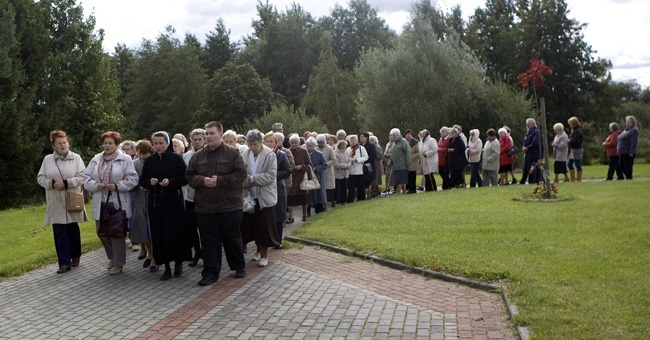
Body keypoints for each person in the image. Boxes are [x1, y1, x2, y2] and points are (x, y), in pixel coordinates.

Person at [186, 121, 248, 286]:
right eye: (206, 134)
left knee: (232, 238)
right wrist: (203, 180)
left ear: (220, 135)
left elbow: (241, 175)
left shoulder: (233, 153)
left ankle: (238, 266)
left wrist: (219, 181)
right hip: (205, 207)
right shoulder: (198, 156)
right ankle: (210, 273)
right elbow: (190, 176)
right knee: (208, 241)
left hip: (229, 205)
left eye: (211, 133)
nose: (208, 136)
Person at [84, 131, 138, 275]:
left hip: (117, 201)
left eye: (110, 143)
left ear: (117, 145)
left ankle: (119, 263)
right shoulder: (96, 159)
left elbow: (133, 179)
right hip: (100, 200)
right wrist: (96, 186)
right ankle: (112, 257)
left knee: (116, 232)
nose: (107, 146)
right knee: (101, 232)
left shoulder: (125, 159)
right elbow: (86, 178)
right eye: (105, 143)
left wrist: (117, 186)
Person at [139, 131, 191, 281]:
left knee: (174, 234)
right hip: (156, 203)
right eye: (155, 143)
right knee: (160, 235)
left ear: (167, 143)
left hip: (173, 202)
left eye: (161, 143)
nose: (158, 146)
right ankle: (166, 266)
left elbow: (185, 178)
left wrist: (171, 181)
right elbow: (143, 181)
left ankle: (178, 263)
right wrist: (150, 182)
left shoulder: (176, 159)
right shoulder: (149, 161)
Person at [37, 130, 88, 274]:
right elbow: (40, 178)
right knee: (59, 232)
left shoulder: (76, 158)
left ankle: (75, 255)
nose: (62, 145)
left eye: (64, 142)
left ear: (68, 143)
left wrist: (67, 183)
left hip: (71, 199)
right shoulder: (48, 160)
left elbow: (83, 176)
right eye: (59, 143)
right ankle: (64, 263)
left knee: (72, 230)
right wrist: (52, 183)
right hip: (55, 201)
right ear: (53, 146)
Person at [241, 130, 279, 267]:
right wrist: (246, 182)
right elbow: (240, 175)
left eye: (255, 144)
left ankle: (264, 254)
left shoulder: (269, 155)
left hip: (265, 197)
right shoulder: (244, 155)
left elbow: (270, 176)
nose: (253, 147)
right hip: (249, 197)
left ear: (261, 142)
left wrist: (252, 179)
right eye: (250, 144)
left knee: (264, 228)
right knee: (253, 226)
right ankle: (257, 251)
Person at [131, 139, 157, 272]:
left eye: (144, 153)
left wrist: (149, 185)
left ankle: (155, 256)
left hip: (153, 198)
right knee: (141, 226)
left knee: (153, 227)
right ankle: (148, 251)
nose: (141, 156)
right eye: (139, 153)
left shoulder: (154, 161)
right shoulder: (134, 163)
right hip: (139, 198)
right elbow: (132, 179)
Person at [263, 131, 291, 248]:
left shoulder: (281, 155)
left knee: (279, 216)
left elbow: (288, 170)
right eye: (267, 141)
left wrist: (273, 175)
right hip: (264, 189)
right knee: (266, 216)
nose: (269, 144)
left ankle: (278, 240)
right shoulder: (261, 155)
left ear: (276, 143)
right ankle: (266, 240)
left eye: (272, 141)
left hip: (278, 188)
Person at [183, 128, 206, 267]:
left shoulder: (209, 153)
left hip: (205, 196)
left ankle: (207, 253)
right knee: (191, 227)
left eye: (200, 139)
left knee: (205, 227)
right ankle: (197, 252)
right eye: (195, 139)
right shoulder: (186, 156)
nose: (197, 142)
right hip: (190, 196)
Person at [287, 134, 313, 222]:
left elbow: (310, 165)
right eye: (292, 143)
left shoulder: (303, 151)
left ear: (299, 143)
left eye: (295, 143)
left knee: (303, 198)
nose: (294, 144)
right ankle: (291, 217)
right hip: (291, 178)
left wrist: (302, 167)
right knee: (290, 198)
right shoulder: (287, 152)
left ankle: (304, 215)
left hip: (301, 178)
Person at [306, 137, 328, 213]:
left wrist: (316, 168)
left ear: (314, 146)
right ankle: (307, 211)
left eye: (310, 146)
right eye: (308, 146)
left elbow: (325, 165)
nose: (309, 147)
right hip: (307, 177)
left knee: (318, 194)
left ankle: (319, 209)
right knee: (308, 194)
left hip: (317, 176)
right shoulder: (305, 153)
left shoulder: (319, 154)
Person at [346, 135, 369, 202]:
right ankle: (350, 199)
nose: (352, 142)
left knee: (360, 186)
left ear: (357, 141)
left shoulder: (361, 148)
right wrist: (350, 161)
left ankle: (361, 199)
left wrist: (357, 160)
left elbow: (366, 157)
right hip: (351, 171)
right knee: (351, 186)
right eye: (351, 141)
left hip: (359, 170)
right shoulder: (348, 149)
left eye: (354, 140)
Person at [316, 134, 336, 207]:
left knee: (329, 188)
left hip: (328, 171)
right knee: (320, 188)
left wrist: (325, 165)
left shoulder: (329, 148)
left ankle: (329, 203)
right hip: (319, 171)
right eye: (319, 142)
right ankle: (320, 203)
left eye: (321, 142)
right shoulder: (316, 149)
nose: (320, 144)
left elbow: (333, 160)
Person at [617, 115, 639, 180]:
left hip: (628, 151)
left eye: (628, 121)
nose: (626, 123)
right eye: (626, 121)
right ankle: (628, 176)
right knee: (621, 164)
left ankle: (629, 177)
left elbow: (633, 141)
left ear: (632, 122)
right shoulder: (626, 130)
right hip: (623, 151)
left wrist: (631, 151)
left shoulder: (634, 130)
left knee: (628, 165)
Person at [520, 118, 541, 185]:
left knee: (532, 167)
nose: (526, 125)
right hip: (528, 154)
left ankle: (533, 180)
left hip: (534, 153)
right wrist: (523, 147)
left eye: (528, 124)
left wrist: (527, 148)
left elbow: (535, 143)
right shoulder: (529, 132)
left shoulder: (536, 131)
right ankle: (523, 181)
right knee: (526, 167)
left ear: (532, 124)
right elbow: (526, 141)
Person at [390, 128, 410, 195]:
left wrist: (408, 162)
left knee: (400, 180)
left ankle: (397, 192)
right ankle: (404, 192)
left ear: (397, 135)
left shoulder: (403, 141)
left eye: (393, 135)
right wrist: (391, 160)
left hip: (402, 164)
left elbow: (408, 152)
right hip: (396, 165)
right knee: (402, 179)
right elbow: (394, 153)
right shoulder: (394, 143)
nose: (392, 137)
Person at [567, 116, 584, 182]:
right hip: (573, 149)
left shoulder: (577, 131)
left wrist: (569, 141)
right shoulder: (574, 130)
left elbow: (575, 140)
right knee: (569, 164)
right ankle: (572, 179)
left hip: (577, 149)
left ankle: (579, 179)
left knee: (577, 164)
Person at [333, 140, 350, 205]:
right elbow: (336, 164)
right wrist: (345, 165)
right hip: (338, 173)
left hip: (345, 173)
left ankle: (344, 199)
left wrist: (348, 165)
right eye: (345, 145)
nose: (346, 146)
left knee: (344, 187)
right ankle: (338, 199)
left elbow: (349, 161)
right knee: (338, 187)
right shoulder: (335, 153)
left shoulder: (346, 153)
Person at [404, 129, 419, 194]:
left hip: (413, 162)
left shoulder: (416, 142)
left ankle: (413, 189)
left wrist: (411, 157)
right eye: (407, 134)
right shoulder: (403, 141)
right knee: (407, 176)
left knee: (412, 176)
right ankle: (408, 188)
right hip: (405, 162)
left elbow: (418, 152)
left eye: (410, 134)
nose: (408, 135)